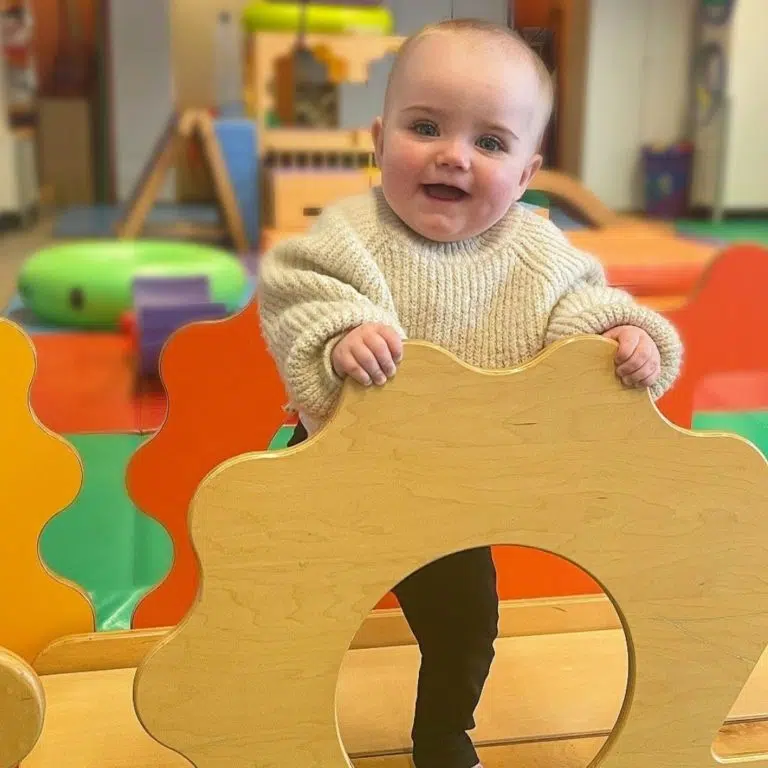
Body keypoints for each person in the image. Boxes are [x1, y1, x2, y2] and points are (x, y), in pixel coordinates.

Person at [257, 17, 683, 768]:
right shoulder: (351, 232)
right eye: (426, 127)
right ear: (380, 138)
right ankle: (267, 718)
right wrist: (338, 334)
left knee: (466, 627)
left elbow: (584, 309)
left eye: (490, 143)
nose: (454, 156)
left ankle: (443, 733)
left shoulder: (537, 249)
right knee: (289, 612)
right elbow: (298, 289)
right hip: (339, 469)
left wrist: (625, 339)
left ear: (525, 174)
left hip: (453, 492)